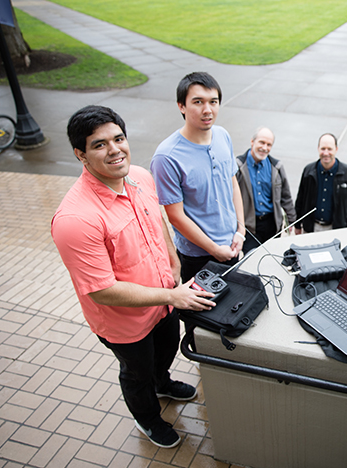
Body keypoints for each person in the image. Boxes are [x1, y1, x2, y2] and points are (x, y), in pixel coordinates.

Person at [52, 105, 217, 449]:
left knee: (167, 350)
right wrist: (173, 296)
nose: (115, 150)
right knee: (136, 374)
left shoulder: (140, 176)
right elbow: (102, 291)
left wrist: (173, 264)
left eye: (119, 139)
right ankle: (148, 418)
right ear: (80, 155)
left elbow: (157, 222)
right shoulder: (75, 219)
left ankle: (163, 381)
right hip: (125, 324)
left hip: (165, 300)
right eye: (99, 145)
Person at [151, 71, 246, 283]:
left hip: (232, 245)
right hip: (197, 257)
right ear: (181, 106)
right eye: (198, 102)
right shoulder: (166, 156)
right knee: (202, 315)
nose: (207, 110)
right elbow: (175, 216)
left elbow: (232, 183)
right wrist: (214, 250)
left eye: (213, 102)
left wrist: (240, 230)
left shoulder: (223, 135)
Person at [236, 127, 297, 253]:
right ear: (252, 142)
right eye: (262, 142)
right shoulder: (238, 166)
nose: (265, 148)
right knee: (251, 260)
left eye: (269, 144)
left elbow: (286, 196)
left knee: (270, 259)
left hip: (271, 225)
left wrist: (292, 221)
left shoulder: (276, 167)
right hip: (249, 226)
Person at [294, 133, 347, 234]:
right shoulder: (308, 171)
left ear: (336, 149)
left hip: (335, 230)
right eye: (323, 148)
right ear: (318, 148)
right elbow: (300, 200)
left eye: (330, 149)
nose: (326, 153)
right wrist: (297, 225)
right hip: (311, 229)